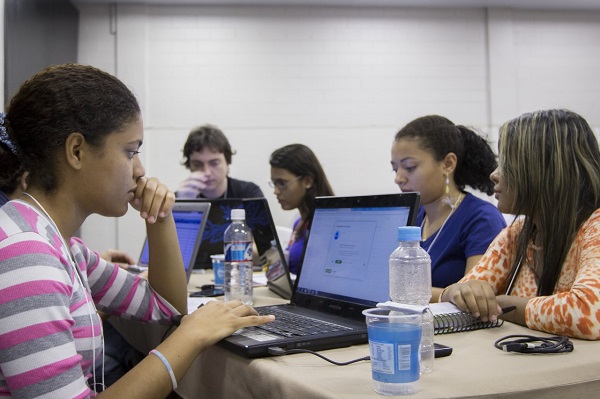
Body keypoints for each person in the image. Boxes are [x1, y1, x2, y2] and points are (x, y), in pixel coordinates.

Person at [0, 64, 273, 398]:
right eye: (130, 151)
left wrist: (159, 217)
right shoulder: (26, 254)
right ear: (76, 152)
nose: (141, 170)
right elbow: (178, 320)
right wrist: (190, 336)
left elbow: (165, 306)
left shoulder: (61, 246)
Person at [440, 109, 600, 340]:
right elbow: (466, 290)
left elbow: (588, 314)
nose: (494, 174)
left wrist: (505, 305)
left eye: (506, 164)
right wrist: (455, 292)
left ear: (543, 171)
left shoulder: (594, 229)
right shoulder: (517, 233)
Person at [391, 115, 506, 301]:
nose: (399, 178)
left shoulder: (482, 218)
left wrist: (401, 292)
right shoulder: (416, 217)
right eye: (395, 169)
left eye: (409, 167)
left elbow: (476, 298)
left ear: (448, 164)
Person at [269, 144, 334, 275]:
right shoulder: (299, 222)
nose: (276, 191)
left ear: (307, 181)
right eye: (274, 183)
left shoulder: (327, 226)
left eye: (282, 183)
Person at [176, 124, 263, 199]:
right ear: (189, 165)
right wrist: (182, 204)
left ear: (227, 161)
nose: (207, 172)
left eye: (214, 163)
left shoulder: (248, 194)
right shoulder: (179, 197)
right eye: (197, 164)